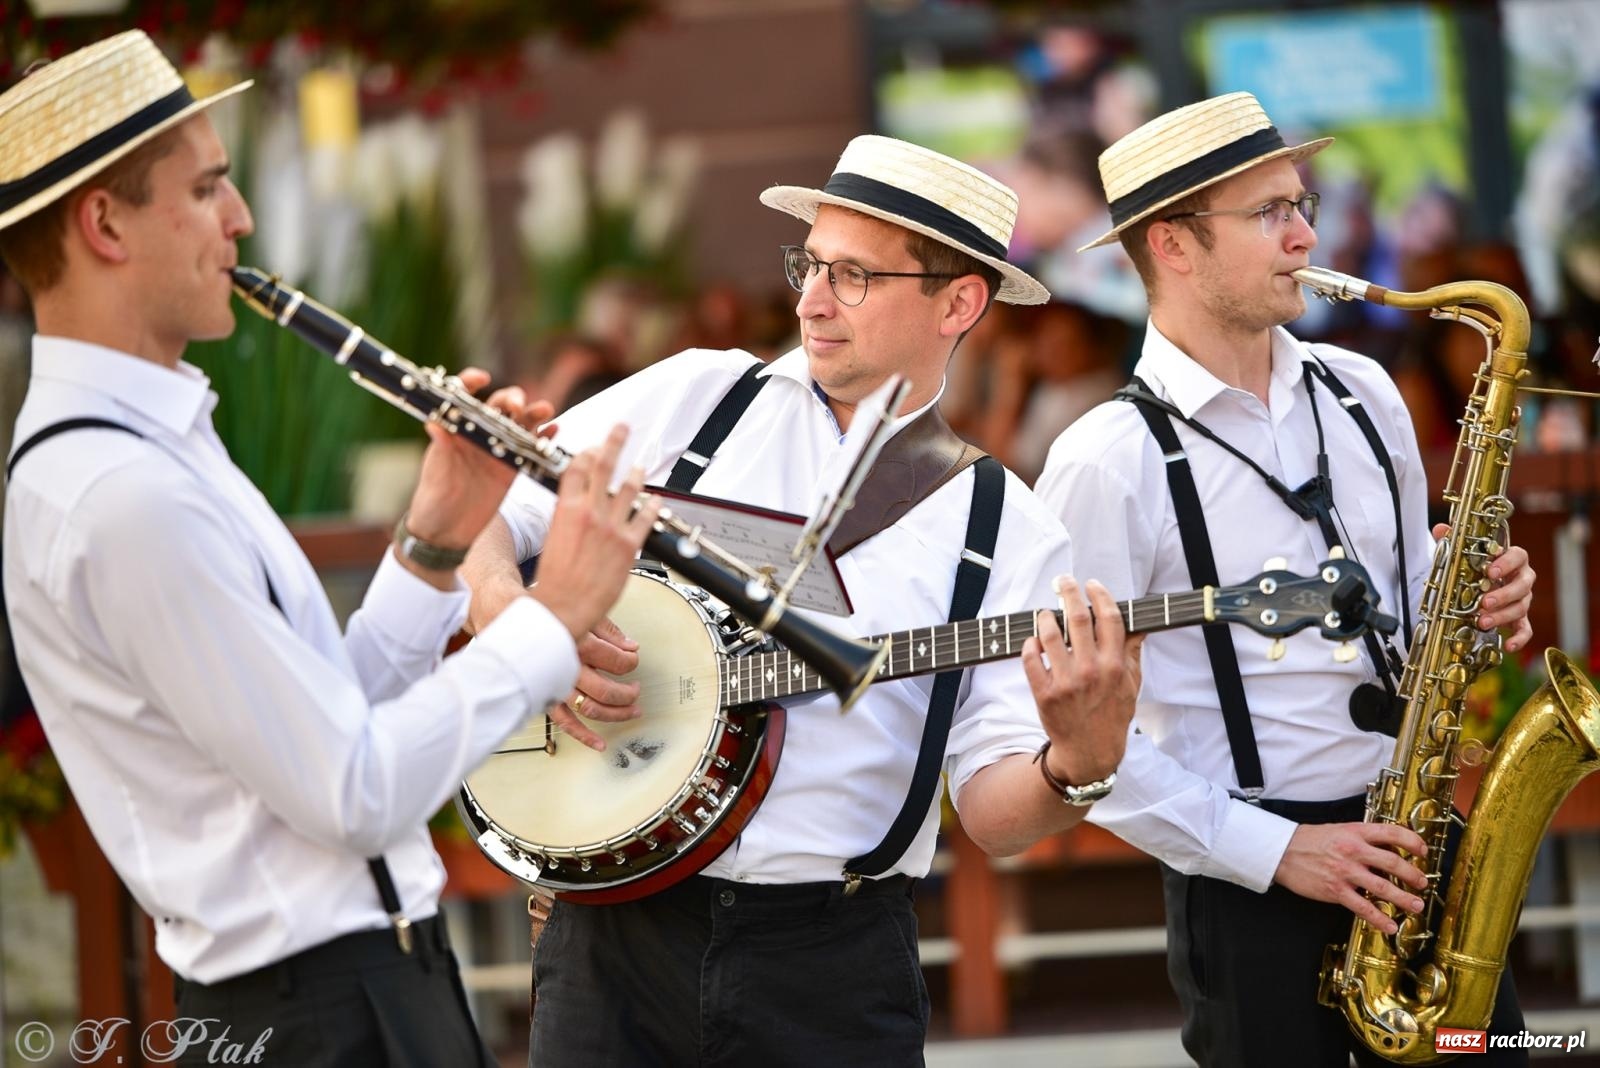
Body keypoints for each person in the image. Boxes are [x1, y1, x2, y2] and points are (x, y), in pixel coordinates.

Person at [0, 31, 655, 1067]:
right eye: (210, 187)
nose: (241, 219)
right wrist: (552, 616)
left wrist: (432, 546)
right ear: (104, 224)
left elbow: (319, 730)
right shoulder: (120, 494)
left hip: (360, 992)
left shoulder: (153, 451)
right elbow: (353, 792)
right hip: (317, 1016)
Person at [461, 134, 1143, 1065]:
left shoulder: (1006, 529)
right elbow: (487, 508)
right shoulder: (696, 397)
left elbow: (991, 813)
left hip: (833, 968)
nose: (811, 300)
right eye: (810, 263)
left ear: (960, 301)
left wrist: (1080, 760)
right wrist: (507, 606)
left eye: (853, 276)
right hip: (614, 939)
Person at [1035, 92, 1538, 1066]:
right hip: (1249, 891)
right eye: (1270, 213)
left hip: (1416, 837)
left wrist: (1470, 606)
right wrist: (1276, 853)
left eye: (1298, 203)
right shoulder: (1105, 461)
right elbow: (1077, 743)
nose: (1306, 231)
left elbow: (1408, 604)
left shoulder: (1364, 394)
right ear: (1173, 246)